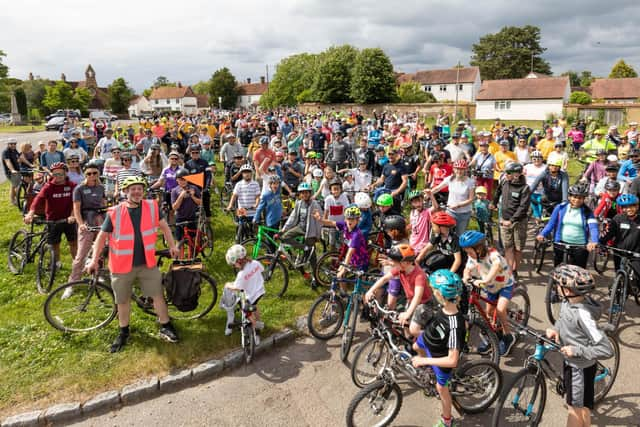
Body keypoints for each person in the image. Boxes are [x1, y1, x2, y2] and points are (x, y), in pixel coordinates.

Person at [87, 176, 180, 352]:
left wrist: (173, 245)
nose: (137, 192)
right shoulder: (115, 212)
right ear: (125, 191)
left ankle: (165, 325)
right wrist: (93, 259)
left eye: (139, 188)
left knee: (157, 295)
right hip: (122, 265)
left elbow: (165, 227)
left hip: (147, 263)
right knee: (122, 300)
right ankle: (123, 331)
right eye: (133, 189)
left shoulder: (152, 206)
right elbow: (101, 237)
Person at [545, 265, 613, 427]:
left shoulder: (583, 315)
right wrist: (556, 329)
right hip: (571, 362)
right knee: (581, 406)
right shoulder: (567, 302)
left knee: (574, 409)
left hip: (580, 369)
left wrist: (576, 350)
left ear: (567, 290)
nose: (555, 288)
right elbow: (562, 319)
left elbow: (606, 349)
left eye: (558, 285)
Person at [411, 269, 465, 427]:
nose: (432, 293)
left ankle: (447, 421)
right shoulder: (443, 306)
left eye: (434, 290)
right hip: (429, 341)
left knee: (441, 388)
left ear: (441, 295)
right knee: (415, 345)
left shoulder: (455, 325)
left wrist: (424, 360)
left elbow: (452, 360)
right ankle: (429, 370)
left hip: (440, 355)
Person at [459, 230, 516, 356]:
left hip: (505, 285)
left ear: (478, 249)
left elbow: (496, 266)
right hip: (490, 287)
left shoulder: (493, 254)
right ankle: (493, 337)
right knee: (488, 313)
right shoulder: (472, 256)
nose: (468, 254)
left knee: (500, 310)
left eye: (469, 251)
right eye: (466, 252)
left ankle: (508, 336)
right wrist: (465, 277)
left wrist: (485, 280)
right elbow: (467, 268)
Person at [365, 244, 433, 336]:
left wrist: (407, 313)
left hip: (424, 304)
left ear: (405, 263)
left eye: (395, 261)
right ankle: (410, 343)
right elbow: (384, 279)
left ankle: (433, 338)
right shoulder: (400, 269)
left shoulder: (419, 275)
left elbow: (418, 297)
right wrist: (371, 290)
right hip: (411, 301)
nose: (392, 263)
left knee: (414, 330)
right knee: (404, 325)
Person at [24, 162, 77, 265]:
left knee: (73, 242)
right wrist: (31, 212)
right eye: (55, 174)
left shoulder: (72, 186)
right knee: (55, 244)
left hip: (68, 219)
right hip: (53, 220)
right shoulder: (48, 187)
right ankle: (57, 263)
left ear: (66, 173)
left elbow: (76, 202)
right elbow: (38, 199)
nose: (58, 177)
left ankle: (76, 263)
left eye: (61, 174)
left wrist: (72, 215)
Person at [65, 161, 106, 297]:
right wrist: (81, 223)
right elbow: (76, 209)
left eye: (95, 173)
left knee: (101, 250)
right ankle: (72, 283)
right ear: (85, 174)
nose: (92, 176)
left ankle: (97, 274)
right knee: (81, 254)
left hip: (99, 219)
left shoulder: (101, 188)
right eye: (89, 173)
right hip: (86, 220)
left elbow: (104, 204)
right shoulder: (79, 189)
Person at [536, 185, 599, 268]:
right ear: (569, 197)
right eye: (574, 197)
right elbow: (551, 224)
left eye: (580, 198)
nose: (577, 200)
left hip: (580, 246)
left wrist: (594, 241)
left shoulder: (587, 212)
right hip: (561, 243)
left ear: (584, 199)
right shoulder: (560, 208)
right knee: (558, 270)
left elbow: (593, 227)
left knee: (578, 272)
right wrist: (542, 234)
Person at [314, 205, 369, 289]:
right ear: (345, 219)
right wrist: (320, 219)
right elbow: (331, 223)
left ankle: (363, 299)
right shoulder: (345, 225)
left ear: (357, 220)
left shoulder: (356, 234)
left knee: (360, 287)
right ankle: (344, 296)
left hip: (361, 261)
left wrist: (344, 268)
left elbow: (350, 253)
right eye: (348, 219)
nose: (350, 221)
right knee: (340, 276)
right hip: (352, 259)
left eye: (353, 219)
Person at [492, 162, 531, 276]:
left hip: (518, 222)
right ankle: (509, 271)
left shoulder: (524, 188)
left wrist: (512, 220)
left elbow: (523, 207)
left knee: (517, 248)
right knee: (508, 247)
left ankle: (515, 269)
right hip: (505, 220)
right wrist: (493, 203)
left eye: (508, 173)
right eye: (506, 172)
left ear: (517, 174)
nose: (506, 175)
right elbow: (498, 191)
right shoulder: (504, 182)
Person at [280, 182, 323, 282]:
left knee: (312, 257)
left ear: (310, 193)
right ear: (299, 194)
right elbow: (293, 217)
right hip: (300, 228)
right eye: (302, 193)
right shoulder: (299, 204)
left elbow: (319, 221)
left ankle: (315, 277)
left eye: (306, 193)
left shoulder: (315, 204)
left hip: (310, 230)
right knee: (285, 237)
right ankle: (304, 247)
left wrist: (317, 235)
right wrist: (284, 229)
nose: (304, 195)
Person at [223, 244, 266, 342]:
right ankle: (257, 324)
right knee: (255, 306)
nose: (234, 266)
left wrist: (228, 285)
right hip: (260, 290)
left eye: (234, 265)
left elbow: (237, 288)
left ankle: (257, 325)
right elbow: (262, 269)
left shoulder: (241, 274)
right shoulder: (255, 263)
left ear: (238, 261)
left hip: (251, 295)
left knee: (246, 310)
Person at [427, 159, 475, 237]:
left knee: (460, 235)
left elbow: (471, 199)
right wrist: (429, 193)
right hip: (451, 211)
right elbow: (438, 188)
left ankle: (459, 248)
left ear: (465, 170)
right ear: (454, 169)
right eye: (457, 169)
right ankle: (448, 248)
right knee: (447, 233)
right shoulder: (450, 179)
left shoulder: (470, 182)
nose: (459, 171)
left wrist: (458, 205)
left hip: (464, 213)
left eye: (462, 169)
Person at [416, 211, 463, 275]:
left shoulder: (454, 239)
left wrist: (450, 274)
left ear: (442, 227)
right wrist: (417, 260)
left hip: (455, 263)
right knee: (427, 260)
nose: (432, 228)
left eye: (434, 226)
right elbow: (427, 248)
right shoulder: (437, 234)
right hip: (445, 257)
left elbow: (458, 260)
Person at [171, 168, 202, 243]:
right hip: (180, 217)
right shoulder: (174, 191)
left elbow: (200, 203)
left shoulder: (194, 188)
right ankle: (179, 253)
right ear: (177, 180)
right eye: (180, 179)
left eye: (184, 179)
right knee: (179, 239)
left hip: (192, 216)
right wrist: (181, 196)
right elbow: (175, 207)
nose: (183, 181)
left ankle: (194, 252)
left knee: (193, 238)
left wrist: (192, 196)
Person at [3, 137, 21, 205]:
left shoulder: (14, 150)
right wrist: (12, 170)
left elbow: (20, 157)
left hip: (17, 171)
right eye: (11, 144)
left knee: (14, 186)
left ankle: (13, 200)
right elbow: (7, 161)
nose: (13, 145)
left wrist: (29, 164)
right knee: (16, 186)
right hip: (11, 172)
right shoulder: (6, 152)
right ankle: (16, 200)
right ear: (8, 144)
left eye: (14, 144)